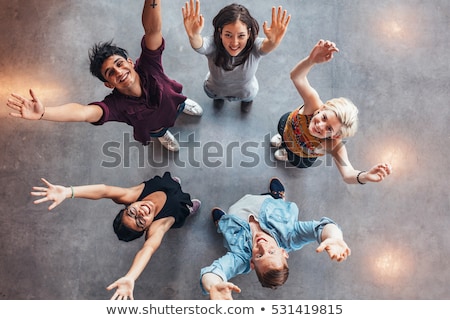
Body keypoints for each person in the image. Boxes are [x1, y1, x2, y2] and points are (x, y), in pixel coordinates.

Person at [7, 0, 202, 152]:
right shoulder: (115, 106)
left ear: (130, 62)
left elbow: (152, 30)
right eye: (110, 73)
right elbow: (83, 113)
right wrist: (43, 113)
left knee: (180, 104)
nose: (118, 71)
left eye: (119, 64)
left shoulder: (149, 64)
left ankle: (183, 105)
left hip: (174, 102)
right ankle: (162, 134)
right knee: (158, 131)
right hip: (154, 126)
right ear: (108, 84)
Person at [31, 171, 201, 300]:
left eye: (132, 212)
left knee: (171, 184)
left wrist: (69, 192)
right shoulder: (157, 227)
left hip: (161, 185)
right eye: (141, 222)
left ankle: (173, 184)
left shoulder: (132, 195)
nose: (140, 212)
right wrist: (130, 277)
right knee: (183, 208)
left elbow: (104, 191)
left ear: (128, 205)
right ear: (146, 229)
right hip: (177, 207)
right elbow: (147, 249)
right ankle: (188, 207)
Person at [200, 177, 350, 300]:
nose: (262, 246)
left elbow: (214, 271)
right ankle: (277, 196)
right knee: (272, 199)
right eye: (272, 251)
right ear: (283, 251)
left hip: (236, 215)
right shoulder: (291, 235)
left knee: (226, 225)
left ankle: (223, 222)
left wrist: (214, 285)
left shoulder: (240, 257)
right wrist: (334, 236)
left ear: (251, 263)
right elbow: (321, 228)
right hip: (267, 203)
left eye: (259, 256)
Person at [271, 39, 392, 184]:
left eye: (329, 129)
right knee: (283, 131)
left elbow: (348, 174)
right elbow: (296, 76)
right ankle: (283, 140)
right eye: (323, 117)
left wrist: (365, 176)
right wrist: (311, 60)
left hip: (301, 154)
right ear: (322, 109)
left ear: (336, 135)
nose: (320, 126)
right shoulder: (313, 103)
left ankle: (287, 152)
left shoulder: (333, 145)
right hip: (287, 125)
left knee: (294, 157)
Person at [182, 0, 291, 112]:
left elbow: (266, 47)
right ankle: (219, 99)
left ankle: (246, 102)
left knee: (247, 100)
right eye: (228, 35)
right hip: (215, 90)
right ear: (220, 32)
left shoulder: (254, 47)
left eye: (241, 36)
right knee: (217, 98)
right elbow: (200, 46)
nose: (234, 43)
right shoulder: (213, 44)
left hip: (246, 92)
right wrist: (193, 36)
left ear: (248, 34)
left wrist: (273, 42)